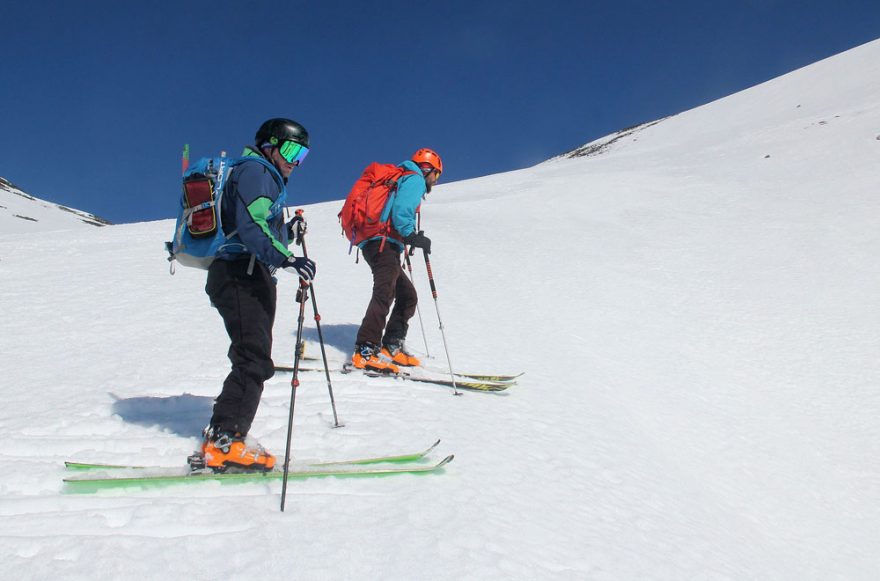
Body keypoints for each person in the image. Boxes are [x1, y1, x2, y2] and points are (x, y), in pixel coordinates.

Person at [200, 118, 316, 472]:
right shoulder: (256, 171)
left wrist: (288, 233)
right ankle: (225, 440)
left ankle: (223, 433)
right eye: (292, 150)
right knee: (253, 357)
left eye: (303, 155)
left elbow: (259, 226)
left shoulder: (265, 177)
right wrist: (287, 258)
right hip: (241, 273)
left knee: (253, 354)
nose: (296, 161)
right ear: (270, 145)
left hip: (248, 272)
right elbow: (250, 226)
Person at [351, 148, 442, 374]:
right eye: (437, 174)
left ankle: (391, 345)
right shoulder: (415, 179)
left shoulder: (402, 177)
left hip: (379, 243)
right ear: (427, 168)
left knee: (407, 295)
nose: (436, 180)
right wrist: (410, 234)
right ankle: (365, 349)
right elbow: (402, 209)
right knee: (385, 292)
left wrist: (408, 237)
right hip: (383, 243)